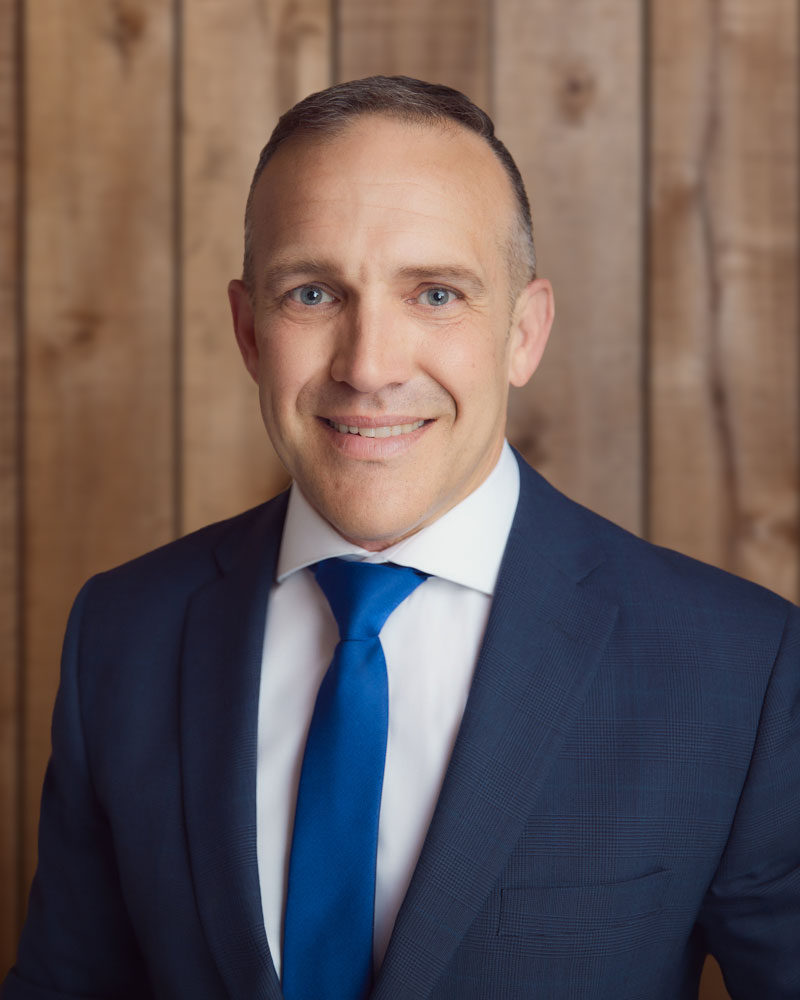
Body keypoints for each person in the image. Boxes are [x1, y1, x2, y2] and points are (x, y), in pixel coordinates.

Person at [3, 76, 798, 1000]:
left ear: (524, 333)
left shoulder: (738, 668)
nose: (369, 366)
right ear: (250, 332)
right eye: (312, 293)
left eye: (435, 294)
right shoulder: (123, 632)